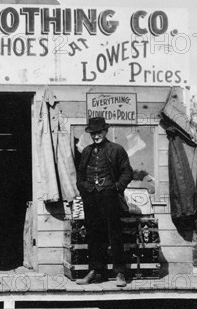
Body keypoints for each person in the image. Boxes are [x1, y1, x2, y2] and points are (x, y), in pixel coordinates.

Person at [76, 117, 133, 287]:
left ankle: (120, 272)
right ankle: (95, 270)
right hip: (91, 198)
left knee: (114, 233)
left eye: (98, 132)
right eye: (93, 133)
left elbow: (127, 173)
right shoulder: (86, 151)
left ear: (105, 131)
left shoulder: (117, 150)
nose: (96, 136)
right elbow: (80, 176)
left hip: (110, 197)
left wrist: (116, 188)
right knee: (93, 234)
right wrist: (84, 189)